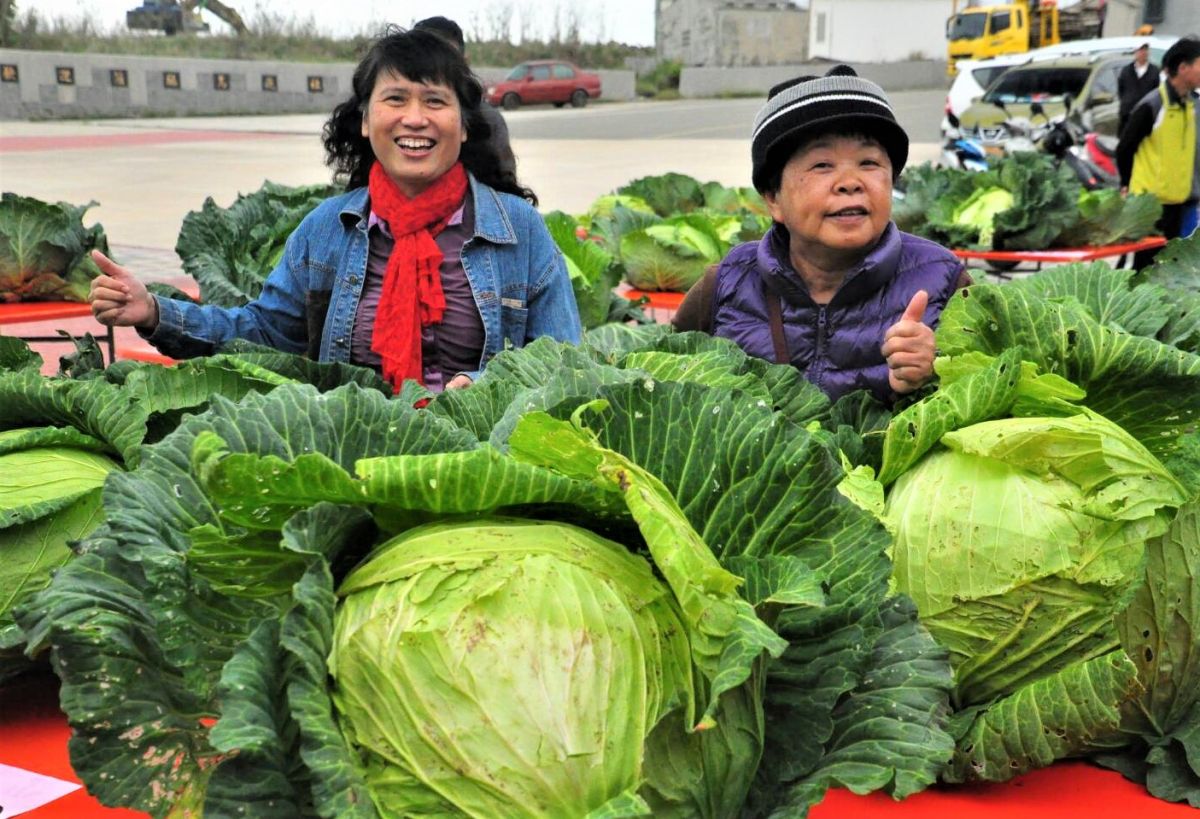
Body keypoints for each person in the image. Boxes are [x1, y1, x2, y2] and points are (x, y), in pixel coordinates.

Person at [88, 26, 580, 393]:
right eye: (395, 99)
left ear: (465, 125)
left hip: (486, 454)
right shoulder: (327, 230)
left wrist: (484, 387)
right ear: (365, 122)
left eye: (435, 101)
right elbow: (262, 333)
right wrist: (153, 311)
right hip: (353, 453)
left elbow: (563, 363)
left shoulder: (521, 232)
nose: (414, 118)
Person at [672, 65, 970, 403]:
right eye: (822, 165)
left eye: (869, 162)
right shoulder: (725, 284)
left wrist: (938, 370)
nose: (850, 182)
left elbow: (990, 397)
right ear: (773, 199)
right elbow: (667, 386)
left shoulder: (945, 281)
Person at [1117, 36, 1200, 269]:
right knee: (1146, 269)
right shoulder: (1153, 105)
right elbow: (1124, 148)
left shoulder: (1190, 106)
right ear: (1183, 68)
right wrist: (1126, 182)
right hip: (1151, 208)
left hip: (1178, 202)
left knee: (1168, 269)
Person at [413, 15, 518, 184]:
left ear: (465, 63)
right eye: (424, 59)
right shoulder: (385, 117)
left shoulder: (488, 120)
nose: (435, 70)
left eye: (448, 61)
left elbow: (507, 184)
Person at [1117, 42, 1160, 132]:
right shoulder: (1126, 70)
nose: (1143, 53)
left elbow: (1157, 91)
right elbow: (1121, 90)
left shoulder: (1154, 71)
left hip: (1147, 116)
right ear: (1135, 52)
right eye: (1141, 50)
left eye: (1145, 50)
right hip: (1128, 115)